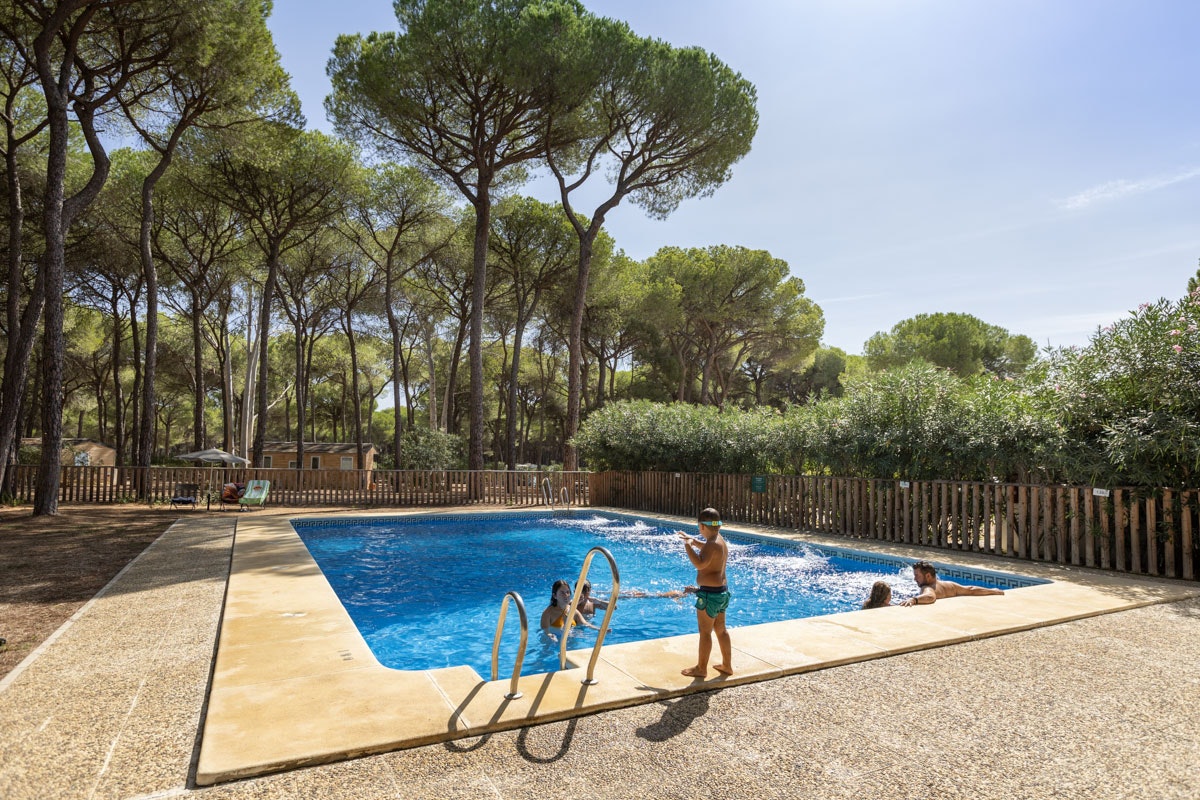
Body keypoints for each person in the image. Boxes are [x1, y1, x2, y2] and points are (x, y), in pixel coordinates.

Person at [676, 507, 733, 678]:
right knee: (721, 630)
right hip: (721, 593)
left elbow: (700, 563)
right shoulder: (719, 541)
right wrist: (694, 541)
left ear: (701, 526)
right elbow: (708, 549)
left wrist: (687, 546)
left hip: (709, 595)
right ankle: (727, 665)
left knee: (705, 632)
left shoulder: (712, 544)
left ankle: (701, 668)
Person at [902, 560, 1004, 606]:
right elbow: (970, 589)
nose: (915, 579)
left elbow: (930, 597)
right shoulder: (949, 584)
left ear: (928, 576)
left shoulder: (928, 588)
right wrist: (992, 591)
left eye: (917, 575)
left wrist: (914, 599)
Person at [539, 579, 605, 637]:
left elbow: (586, 624)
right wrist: (550, 636)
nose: (566, 595)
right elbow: (545, 631)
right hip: (555, 644)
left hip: (572, 642)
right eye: (562, 593)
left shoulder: (573, 610)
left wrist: (600, 629)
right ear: (555, 596)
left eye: (568, 592)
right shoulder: (548, 613)